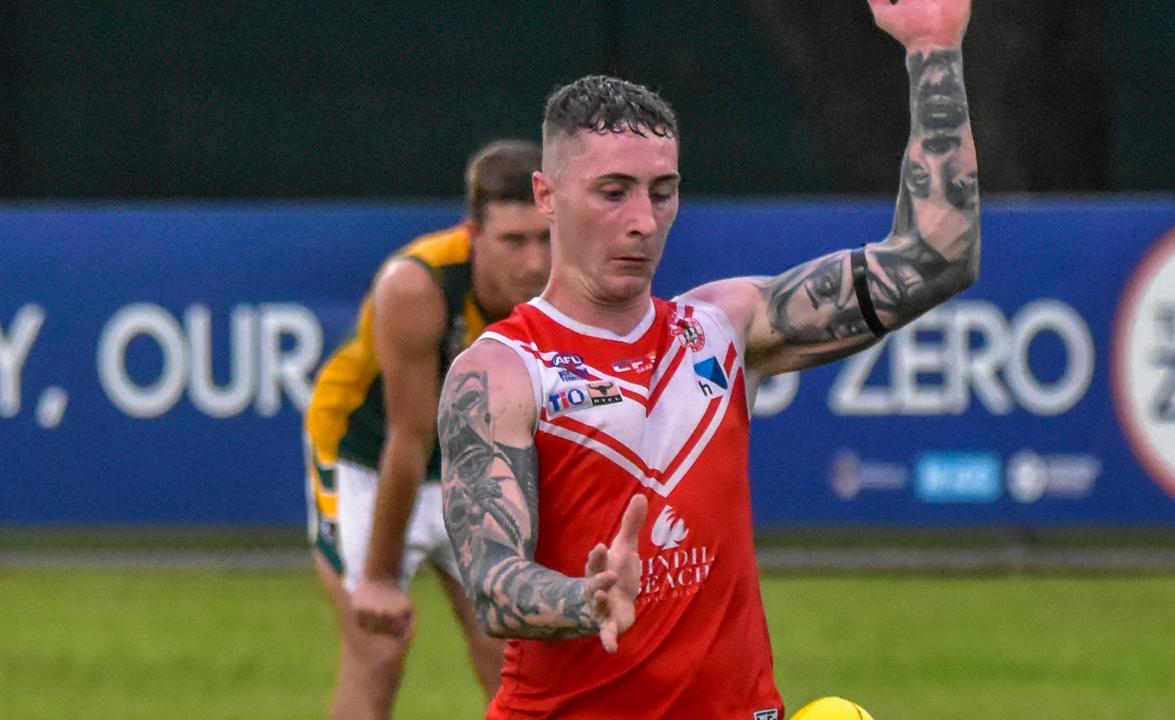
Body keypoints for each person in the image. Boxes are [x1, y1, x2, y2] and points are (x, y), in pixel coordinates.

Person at [438, 1, 979, 717]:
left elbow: (935, 261)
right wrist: (583, 597)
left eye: (662, 192)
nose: (642, 220)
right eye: (613, 192)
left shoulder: (724, 327)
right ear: (547, 195)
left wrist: (933, 50)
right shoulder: (502, 371)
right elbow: (491, 580)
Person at [304, 140, 551, 719]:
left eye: (546, 237)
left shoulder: (567, 286)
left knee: (515, 654)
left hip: (473, 460)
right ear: (474, 234)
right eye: (514, 241)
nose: (535, 262)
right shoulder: (417, 286)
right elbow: (410, 437)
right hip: (366, 454)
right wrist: (382, 579)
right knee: (378, 646)